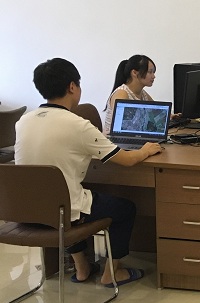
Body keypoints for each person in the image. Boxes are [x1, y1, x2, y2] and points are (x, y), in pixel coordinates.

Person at [15, 58, 163, 286]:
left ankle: (82, 267)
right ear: (72, 87)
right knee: (126, 208)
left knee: (65, 199)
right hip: (64, 212)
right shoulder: (78, 125)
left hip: (28, 211)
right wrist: (145, 150)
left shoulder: (23, 121)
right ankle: (112, 273)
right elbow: (127, 160)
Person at [103, 55, 175, 134]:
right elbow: (122, 128)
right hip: (114, 139)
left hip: (134, 136)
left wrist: (169, 116)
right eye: (150, 72)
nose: (153, 76)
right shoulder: (122, 94)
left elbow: (156, 112)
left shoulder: (142, 93)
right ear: (134, 73)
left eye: (153, 72)